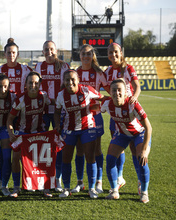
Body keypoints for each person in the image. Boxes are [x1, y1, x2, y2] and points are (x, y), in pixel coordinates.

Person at [0, 38, 32, 192]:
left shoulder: (25, 69)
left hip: (21, 113)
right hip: (4, 112)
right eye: (9, 53)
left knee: (20, 150)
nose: (11, 55)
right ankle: (3, 180)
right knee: (4, 149)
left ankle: (26, 181)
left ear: (17, 54)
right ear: (5, 54)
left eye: (14, 52)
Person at [54, 69, 105, 199]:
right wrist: (57, 125)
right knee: (66, 158)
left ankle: (92, 188)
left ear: (78, 80)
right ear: (63, 81)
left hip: (87, 128)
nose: (70, 82)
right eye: (67, 80)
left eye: (72, 79)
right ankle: (66, 188)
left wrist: (100, 108)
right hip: (69, 129)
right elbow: (57, 112)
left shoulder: (87, 90)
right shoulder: (61, 95)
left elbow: (102, 97)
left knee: (90, 157)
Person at [101, 78, 151, 203]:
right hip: (122, 134)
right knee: (110, 159)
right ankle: (114, 191)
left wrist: (145, 150)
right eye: (114, 90)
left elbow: (148, 127)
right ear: (110, 92)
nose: (116, 93)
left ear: (125, 92)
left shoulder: (132, 104)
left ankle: (144, 192)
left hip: (139, 133)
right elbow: (96, 107)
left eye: (119, 90)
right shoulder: (107, 104)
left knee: (141, 159)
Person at [6, 71, 51, 197]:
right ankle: (16, 187)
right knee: (15, 157)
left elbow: (51, 107)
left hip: (39, 132)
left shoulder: (43, 96)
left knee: (44, 159)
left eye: (36, 83)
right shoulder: (20, 99)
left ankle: (44, 187)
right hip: (22, 133)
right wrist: (11, 133)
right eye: (30, 83)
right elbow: (10, 119)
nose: (33, 85)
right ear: (25, 84)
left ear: (40, 84)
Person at [73, 44, 110, 194]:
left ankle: (98, 182)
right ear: (80, 56)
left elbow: (109, 92)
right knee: (80, 149)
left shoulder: (99, 73)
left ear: (92, 56)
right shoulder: (76, 73)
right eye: (83, 54)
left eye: (89, 54)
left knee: (96, 149)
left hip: (95, 116)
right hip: (79, 116)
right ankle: (80, 182)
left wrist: (106, 105)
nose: (86, 57)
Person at [105, 42, 142, 192]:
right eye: (110, 53)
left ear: (121, 53)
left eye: (115, 52)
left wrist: (134, 98)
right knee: (118, 147)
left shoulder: (128, 68)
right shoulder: (107, 71)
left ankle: (141, 181)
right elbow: (109, 92)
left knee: (134, 148)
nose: (113, 55)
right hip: (116, 115)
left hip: (130, 113)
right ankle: (120, 177)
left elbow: (137, 86)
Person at [34, 40, 70, 192]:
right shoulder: (38, 67)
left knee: (58, 146)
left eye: (51, 49)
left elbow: (67, 86)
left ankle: (58, 179)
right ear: (42, 52)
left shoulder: (64, 66)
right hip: (42, 112)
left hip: (59, 112)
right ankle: (43, 179)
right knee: (42, 146)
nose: (49, 52)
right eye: (46, 49)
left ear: (56, 50)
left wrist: (56, 100)